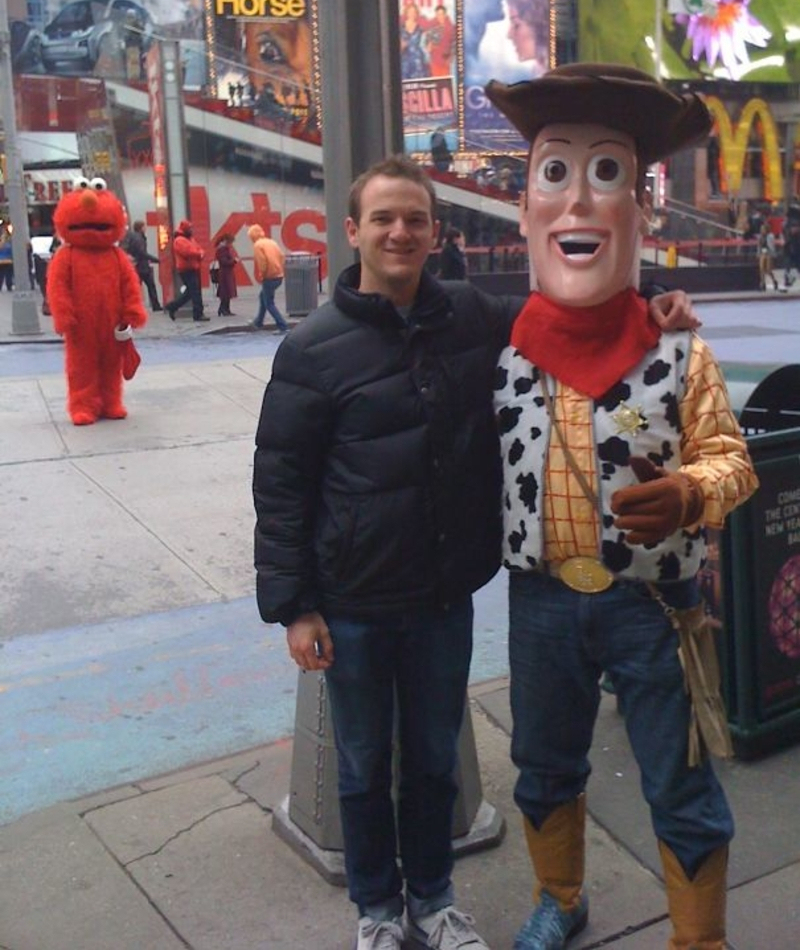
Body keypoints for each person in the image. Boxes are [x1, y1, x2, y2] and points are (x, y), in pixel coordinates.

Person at [253, 153, 698, 950]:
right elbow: (281, 484)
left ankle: (433, 898)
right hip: (351, 602)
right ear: (352, 231)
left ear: (435, 233)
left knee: (432, 762)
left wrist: (651, 306)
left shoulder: (472, 316)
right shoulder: (313, 350)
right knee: (361, 768)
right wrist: (294, 606)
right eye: (383, 219)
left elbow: (574, 311)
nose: (400, 232)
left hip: (440, 595)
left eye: (415, 219)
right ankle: (378, 912)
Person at [485, 63, 759, 950]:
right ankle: (559, 898)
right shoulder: (500, 350)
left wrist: (690, 492)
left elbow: (732, 462)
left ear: (641, 211)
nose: (577, 202)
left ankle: (698, 936)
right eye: (553, 174)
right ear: (525, 205)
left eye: (605, 175)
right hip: (540, 605)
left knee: (677, 778)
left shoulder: (676, 352)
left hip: (652, 608)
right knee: (542, 765)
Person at [247, 224, 288, 332]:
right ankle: (258, 322)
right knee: (263, 297)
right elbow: (282, 256)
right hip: (278, 275)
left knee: (269, 303)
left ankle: (282, 325)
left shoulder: (258, 245)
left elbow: (262, 262)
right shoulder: (272, 242)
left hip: (269, 277)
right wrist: (279, 269)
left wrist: (262, 275)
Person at [166, 219, 207, 322]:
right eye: (190, 228)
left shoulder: (188, 239)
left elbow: (198, 249)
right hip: (187, 269)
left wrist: (199, 253)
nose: (191, 230)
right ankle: (198, 314)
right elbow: (188, 252)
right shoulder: (180, 240)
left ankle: (172, 306)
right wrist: (199, 254)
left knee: (190, 292)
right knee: (195, 292)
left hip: (192, 267)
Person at [124, 220, 162, 312]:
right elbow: (142, 253)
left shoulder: (132, 237)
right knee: (150, 286)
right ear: (141, 228)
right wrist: (156, 260)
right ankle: (155, 305)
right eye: (144, 227)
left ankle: (133, 305)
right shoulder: (139, 239)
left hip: (136, 265)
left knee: (136, 286)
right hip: (142, 266)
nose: (145, 228)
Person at [213, 232, 239, 316]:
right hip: (225, 273)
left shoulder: (221, 248)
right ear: (226, 241)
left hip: (224, 273)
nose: (231, 244)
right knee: (226, 292)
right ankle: (224, 310)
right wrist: (234, 261)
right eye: (230, 242)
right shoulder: (222, 249)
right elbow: (224, 261)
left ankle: (224, 309)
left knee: (225, 292)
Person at [757, 220, 778, 291]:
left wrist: (773, 254)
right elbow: (759, 246)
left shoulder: (770, 236)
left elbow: (772, 246)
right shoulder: (760, 237)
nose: (761, 231)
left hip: (769, 253)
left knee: (768, 270)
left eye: (763, 229)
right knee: (761, 269)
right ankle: (762, 283)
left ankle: (774, 281)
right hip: (762, 253)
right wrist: (758, 253)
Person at [0, 225, 13, 290]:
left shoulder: (9, 242)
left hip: (8, 261)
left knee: (8, 275)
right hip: (2, 261)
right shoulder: (4, 243)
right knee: (1, 275)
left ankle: (9, 286)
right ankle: (7, 286)